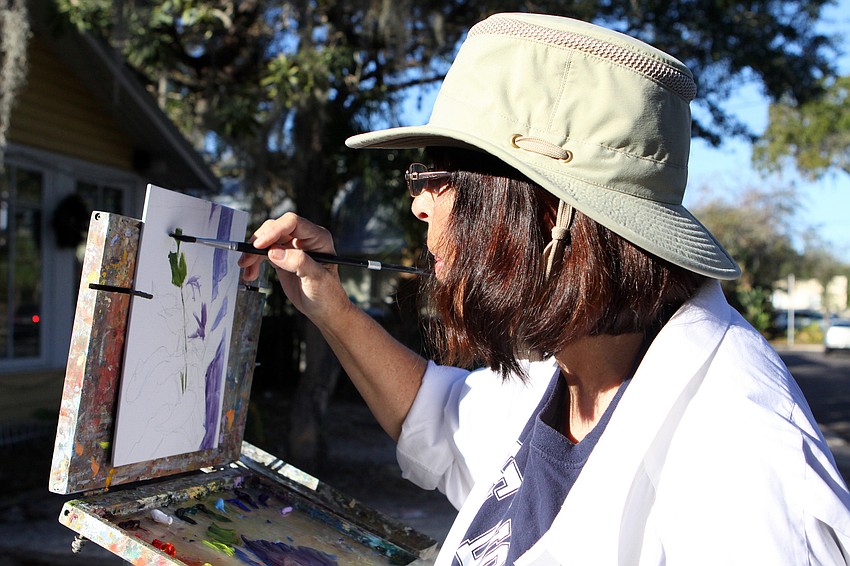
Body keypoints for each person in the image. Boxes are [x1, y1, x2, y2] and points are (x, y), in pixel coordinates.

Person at [240, 12, 850, 565]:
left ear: (552, 214)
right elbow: (438, 420)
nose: (419, 203)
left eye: (440, 175)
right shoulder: (576, 361)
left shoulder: (743, 468)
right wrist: (332, 307)